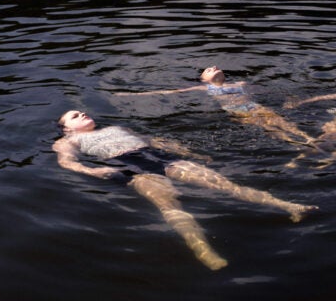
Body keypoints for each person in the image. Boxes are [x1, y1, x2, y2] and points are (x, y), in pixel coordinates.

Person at [53, 110, 317, 271]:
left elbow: (153, 140)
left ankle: (289, 206)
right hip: (128, 167)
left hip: (158, 157)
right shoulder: (67, 141)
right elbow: (67, 163)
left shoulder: (117, 127)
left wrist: (188, 152)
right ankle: (204, 251)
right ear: (66, 128)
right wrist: (93, 172)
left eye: (82, 112)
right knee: (170, 207)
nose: (83, 115)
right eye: (75, 116)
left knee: (227, 185)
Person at [114, 66, 316, 146]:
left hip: (253, 106)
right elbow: (167, 93)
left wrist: (292, 98)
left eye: (216, 67)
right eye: (209, 69)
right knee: (268, 127)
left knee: (280, 120)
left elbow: (269, 91)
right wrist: (130, 94)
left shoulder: (241, 85)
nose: (214, 67)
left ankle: (308, 139)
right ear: (204, 79)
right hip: (237, 111)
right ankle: (295, 143)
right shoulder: (203, 89)